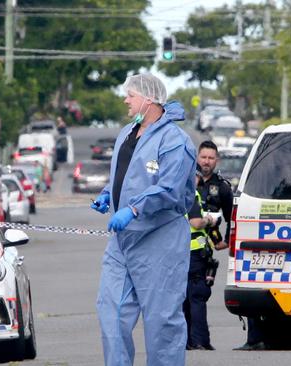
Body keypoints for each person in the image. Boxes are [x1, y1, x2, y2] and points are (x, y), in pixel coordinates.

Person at [91, 73, 196, 366]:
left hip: (160, 241)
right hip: (122, 242)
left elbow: (171, 190)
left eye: (131, 95)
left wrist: (134, 209)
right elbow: (125, 176)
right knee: (111, 316)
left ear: (149, 100)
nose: (125, 99)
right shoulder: (127, 132)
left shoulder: (176, 141)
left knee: (161, 322)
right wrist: (107, 195)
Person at [196, 141, 265, 350]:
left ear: (216, 161)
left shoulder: (222, 188)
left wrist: (225, 240)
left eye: (210, 158)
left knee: (243, 287)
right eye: (203, 157)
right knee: (190, 296)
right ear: (197, 158)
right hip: (184, 248)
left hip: (206, 249)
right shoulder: (188, 182)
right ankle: (195, 340)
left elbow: (232, 217)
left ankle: (254, 338)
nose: (206, 162)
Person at [184, 164, 219, 351]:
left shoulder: (176, 194)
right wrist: (210, 220)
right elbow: (196, 222)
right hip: (194, 254)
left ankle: (188, 340)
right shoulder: (191, 195)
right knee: (197, 297)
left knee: (185, 298)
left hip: (180, 254)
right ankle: (199, 341)